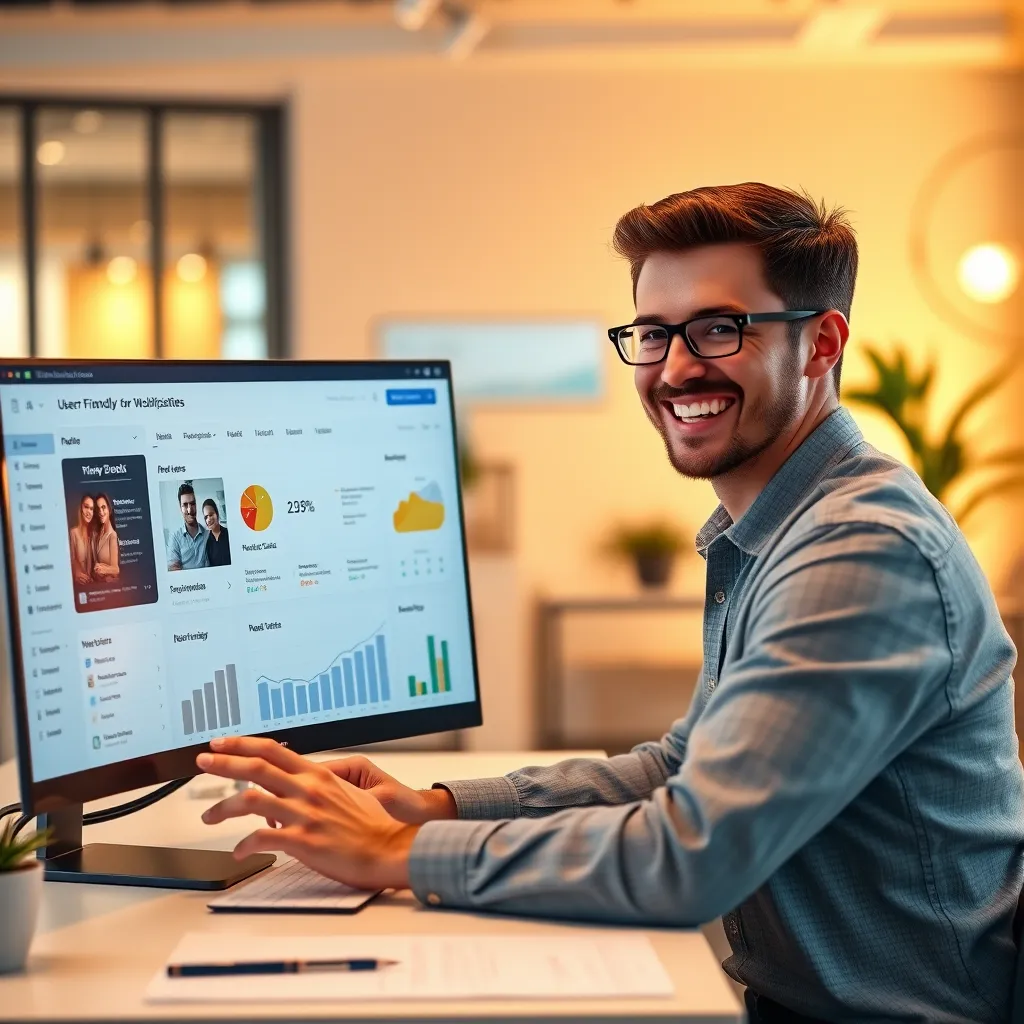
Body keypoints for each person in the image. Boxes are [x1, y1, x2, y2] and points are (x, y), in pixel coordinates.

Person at [194, 184, 1024, 1023]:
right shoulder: (777, 530)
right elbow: (679, 768)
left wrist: (399, 850)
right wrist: (435, 806)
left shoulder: (859, 548)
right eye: (654, 334)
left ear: (821, 342)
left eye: (717, 328)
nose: (674, 368)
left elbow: (690, 855)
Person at [166, 482, 208, 571]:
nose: (189, 510)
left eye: (192, 504)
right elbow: (173, 570)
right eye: (185, 505)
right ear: (180, 507)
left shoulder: (207, 534)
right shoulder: (175, 537)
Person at [90, 493, 119, 581]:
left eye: (103, 507)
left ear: (109, 509)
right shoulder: (97, 533)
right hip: (98, 584)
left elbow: (116, 570)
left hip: (109, 585)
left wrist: (104, 569)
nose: (101, 512)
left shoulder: (112, 535)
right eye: (98, 509)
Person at [69, 493, 94, 586]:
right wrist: (76, 572)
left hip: (94, 587)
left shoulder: (94, 535)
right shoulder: (73, 533)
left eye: (92, 509)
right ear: (80, 508)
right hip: (79, 586)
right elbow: (72, 559)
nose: (89, 512)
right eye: (86, 507)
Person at [203, 498, 231, 567]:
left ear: (217, 514)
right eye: (206, 517)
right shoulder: (206, 541)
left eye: (211, 514)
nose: (209, 519)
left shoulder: (229, 534)